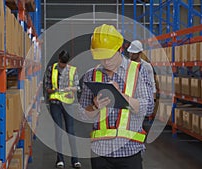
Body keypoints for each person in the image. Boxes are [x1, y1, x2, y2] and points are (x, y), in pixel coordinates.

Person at [79, 24, 154, 169]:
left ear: (120, 49)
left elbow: (149, 107)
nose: (106, 62)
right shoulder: (91, 75)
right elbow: (82, 114)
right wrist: (94, 106)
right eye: (101, 58)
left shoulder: (138, 71)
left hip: (130, 151)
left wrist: (121, 96)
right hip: (100, 152)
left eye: (109, 57)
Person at [45, 50, 81, 169]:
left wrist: (71, 88)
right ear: (59, 59)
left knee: (71, 132)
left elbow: (77, 87)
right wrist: (57, 90)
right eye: (62, 63)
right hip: (55, 103)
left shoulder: (72, 70)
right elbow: (47, 87)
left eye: (65, 64)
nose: (63, 66)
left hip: (68, 104)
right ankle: (60, 160)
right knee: (59, 132)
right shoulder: (52, 69)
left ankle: (75, 160)